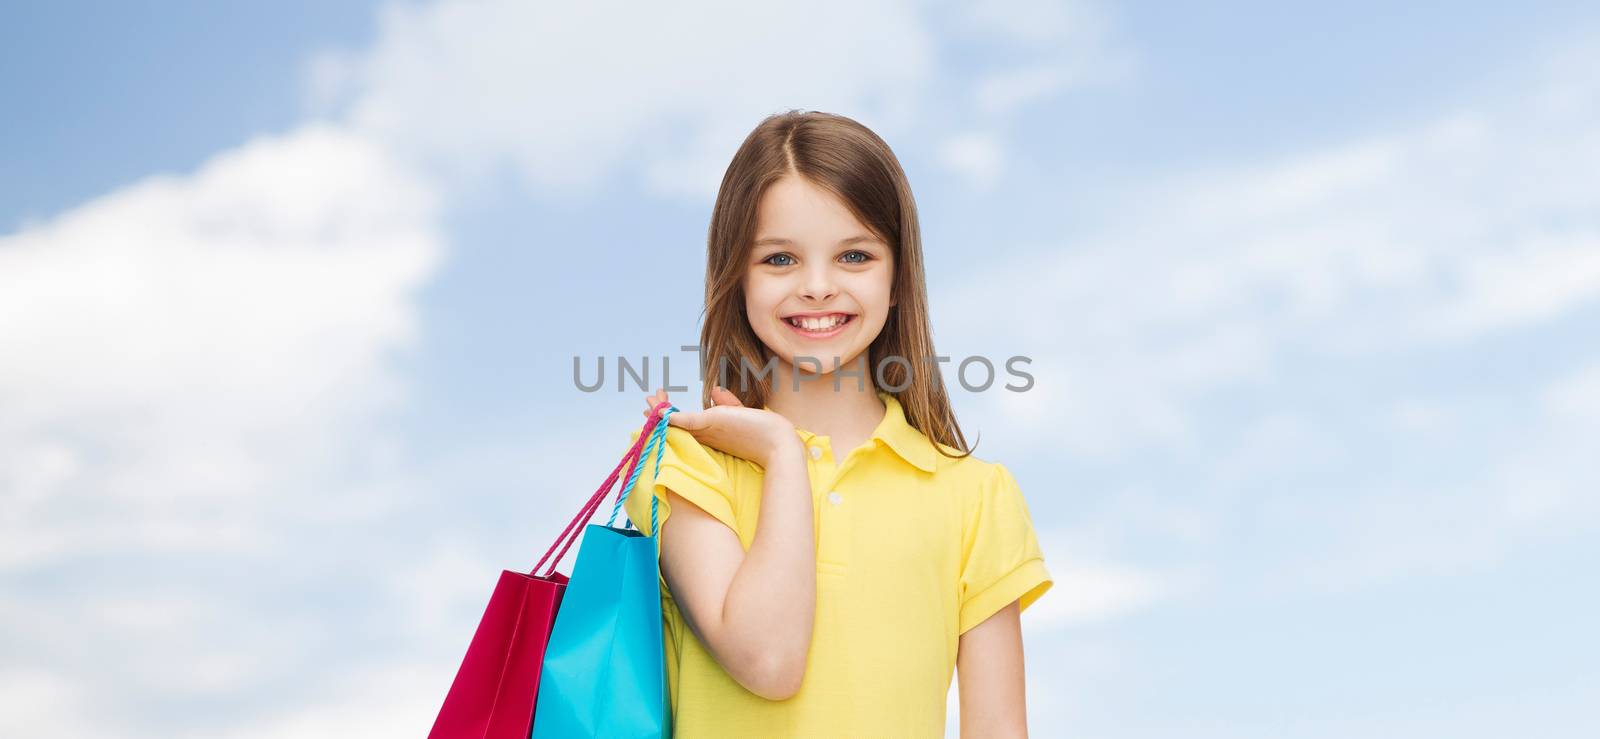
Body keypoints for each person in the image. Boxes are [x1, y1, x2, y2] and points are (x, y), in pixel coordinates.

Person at [621, 109, 1052, 737]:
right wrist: (783, 456)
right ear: (736, 278)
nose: (818, 287)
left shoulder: (977, 495)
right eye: (779, 260)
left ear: (899, 276)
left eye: (854, 255)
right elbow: (767, 660)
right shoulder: (685, 465)